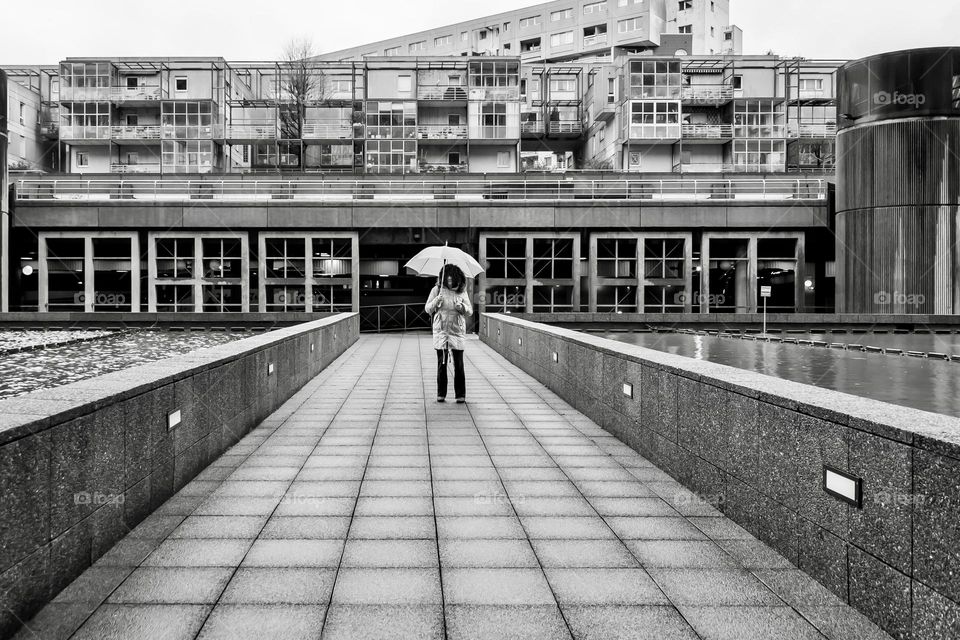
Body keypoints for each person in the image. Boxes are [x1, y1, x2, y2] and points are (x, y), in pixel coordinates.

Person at [425, 264, 473, 403]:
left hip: (457, 331)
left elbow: (469, 311)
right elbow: (427, 308)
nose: (450, 282)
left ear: (458, 279)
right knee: (442, 363)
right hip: (441, 331)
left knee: (458, 364)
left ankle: (460, 395)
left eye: (452, 280)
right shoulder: (436, 290)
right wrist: (436, 301)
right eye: (448, 279)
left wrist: (461, 307)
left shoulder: (461, 291)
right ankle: (441, 394)